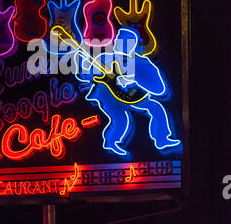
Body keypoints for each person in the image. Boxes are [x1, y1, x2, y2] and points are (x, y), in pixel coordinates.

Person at [74, 27, 180, 155]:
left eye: (125, 42)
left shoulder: (141, 63)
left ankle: (163, 140)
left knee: (156, 108)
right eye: (118, 40)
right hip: (110, 96)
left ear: (133, 45)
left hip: (136, 97)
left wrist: (134, 80)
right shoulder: (105, 59)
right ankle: (111, 143)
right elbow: (86, 75)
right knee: (121, 119)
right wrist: (82, 63)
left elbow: (160, 89)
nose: (119, 43)